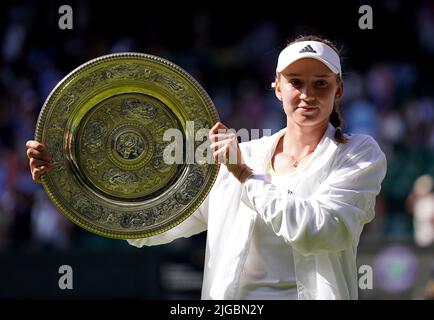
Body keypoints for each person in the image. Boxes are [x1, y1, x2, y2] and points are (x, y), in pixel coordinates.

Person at [26, 35, 387, 299]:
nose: (307, 94)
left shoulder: (357, 154)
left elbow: (319, 232)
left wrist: (245, 175)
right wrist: (68, 174)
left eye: (320, 84)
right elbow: (153, 224)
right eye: (296, 82)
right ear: (277, 88)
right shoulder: (241, 154)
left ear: (338, 91)